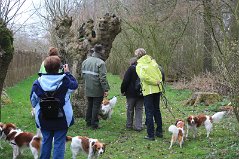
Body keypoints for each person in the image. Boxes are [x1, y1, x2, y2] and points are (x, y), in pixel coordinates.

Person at [30, 56, 78, 159]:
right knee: (59, 143)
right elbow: (74, 85)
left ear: (45, 68)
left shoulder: (37, 83)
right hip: (62, 119)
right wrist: (68, 73)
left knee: (46, 140)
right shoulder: (65, 81)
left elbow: (33, 101)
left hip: (43, 118)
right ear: (59, 68)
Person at [134, 48, 163, 141]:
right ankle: (159, 131)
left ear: (137, 56)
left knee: (149, 112)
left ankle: (150, 135)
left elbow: (143, 77)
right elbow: (160, 74)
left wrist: (154, 82)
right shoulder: (153, 62)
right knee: (157, 110)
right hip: (157, 89)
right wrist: (158, 81)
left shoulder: (139, 65)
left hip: (148, 91)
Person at [81, 44, 110, 130]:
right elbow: (103, 78)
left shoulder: (85, 61)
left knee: (90, 105)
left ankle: (88, 121)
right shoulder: (101, 63)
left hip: (88, 87)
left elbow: (83, 75)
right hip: (97, 88)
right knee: (96, 106)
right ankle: (94, 124)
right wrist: (106, 89)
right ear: (101, 51)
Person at [121, 57, 144, 131]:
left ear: (131, 62)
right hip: (141, 93)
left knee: (130, 109)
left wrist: (123, 90)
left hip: (131, 93)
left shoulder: (131, 69)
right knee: (139, 109)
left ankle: (129, 125)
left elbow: (125, 81)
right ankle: (138, 126)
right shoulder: (143, 68)